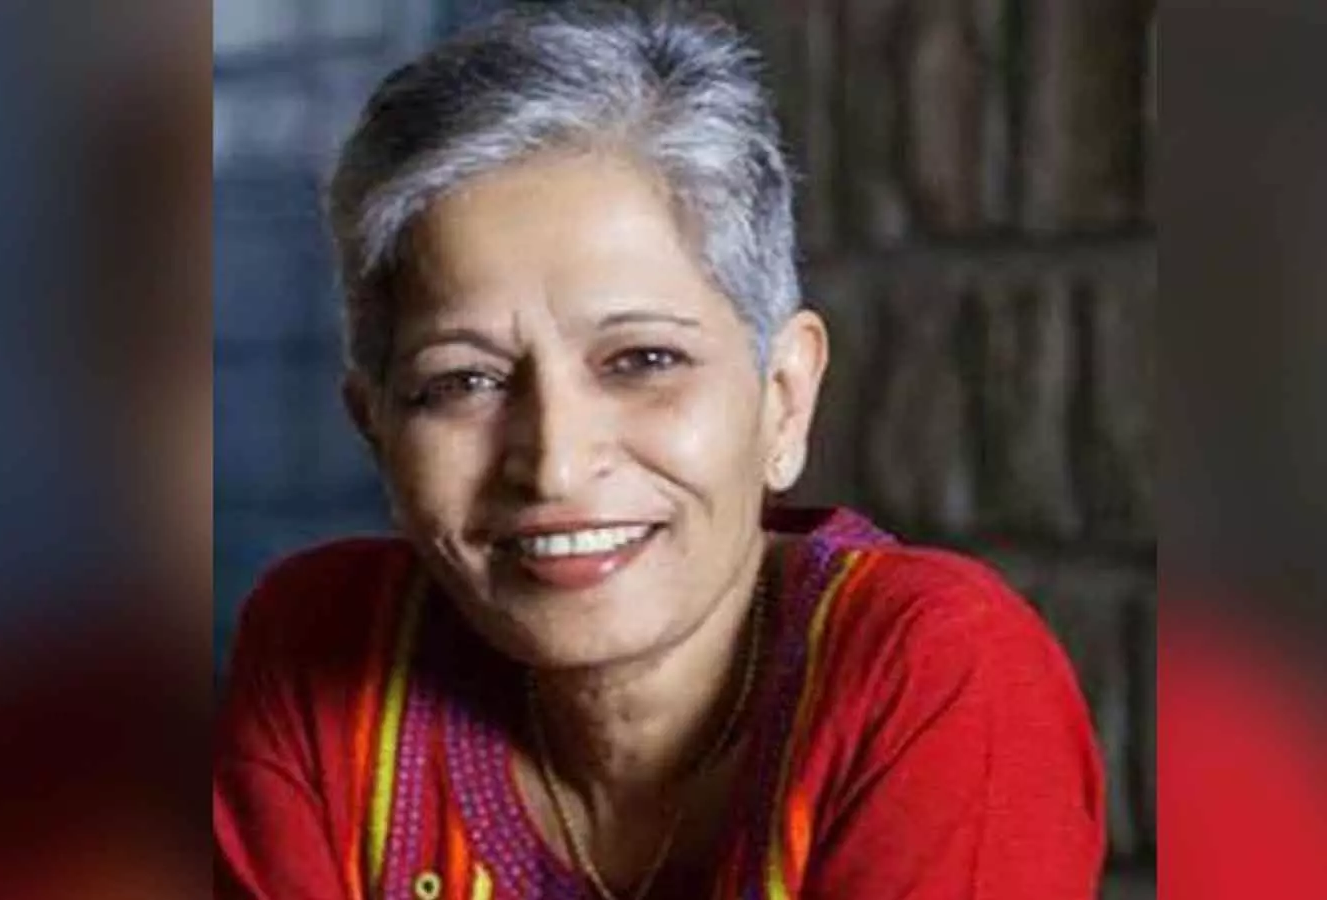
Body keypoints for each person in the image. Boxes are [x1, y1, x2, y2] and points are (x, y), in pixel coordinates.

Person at [214, 4, 1104, 898]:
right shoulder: (321, 654)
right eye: (464, 381)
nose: (555, 464)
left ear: (784, 397)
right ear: (376, 429)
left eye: (643, 361)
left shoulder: (930, 671)